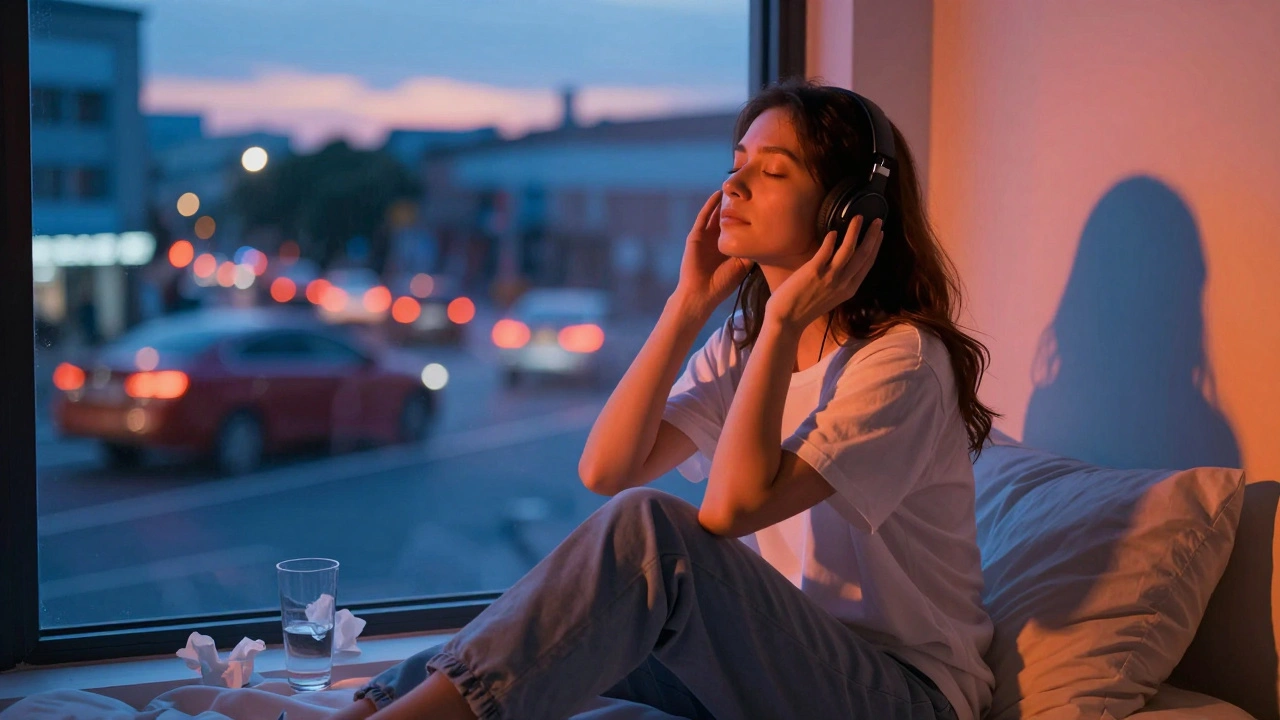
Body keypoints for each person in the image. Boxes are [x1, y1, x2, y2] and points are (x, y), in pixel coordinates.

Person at [331, 78, 1000, 720]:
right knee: (542, 626)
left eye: (773, 172)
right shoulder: (745, 344)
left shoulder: (900, 359)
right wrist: (685, 308)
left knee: (654, 533)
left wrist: (784, 323)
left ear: (849, 212)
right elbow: (607, 469)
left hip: (900, 697)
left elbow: (732, 508)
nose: (732, 185)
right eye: (736, 163)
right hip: (776, 660)